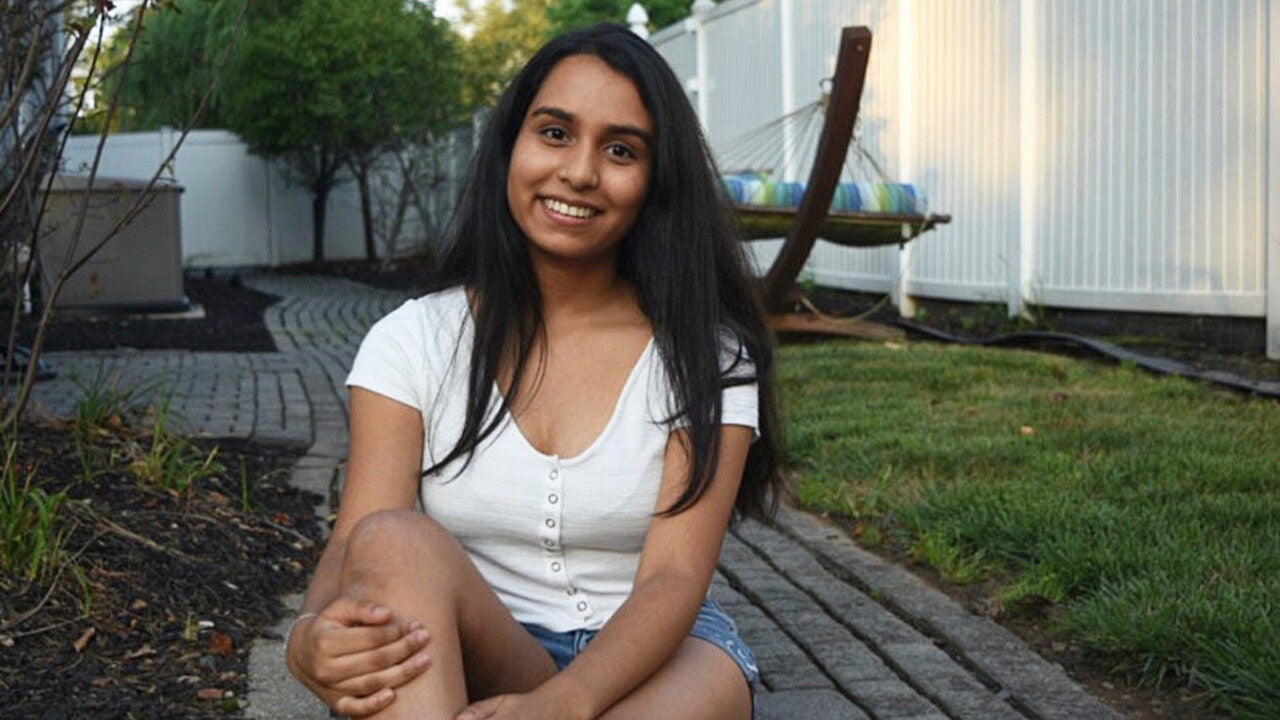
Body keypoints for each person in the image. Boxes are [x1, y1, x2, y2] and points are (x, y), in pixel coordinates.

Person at [285, 23, 781, 720]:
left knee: (705, 686)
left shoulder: (708, 354)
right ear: (511, 145)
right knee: (392, 539)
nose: (579, 172)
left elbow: (674, 578)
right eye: (554, 132)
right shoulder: (414, 340)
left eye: (620, 150)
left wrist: (566, 701)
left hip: (661, 658)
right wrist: (307, 637)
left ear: (655, 181)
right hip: (485, 646)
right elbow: (355, 538)